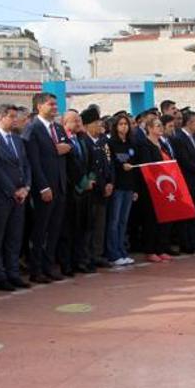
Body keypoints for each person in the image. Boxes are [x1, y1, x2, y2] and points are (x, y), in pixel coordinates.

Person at [0, 104, 32, 291]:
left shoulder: (17, 139)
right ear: (0, 117)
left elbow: (26, 164)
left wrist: (26, 186)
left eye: (16, 116)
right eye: (11, 116)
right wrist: (13, 191)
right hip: (0, 197)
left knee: (14, 236)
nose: (16, 120)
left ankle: (13, 272)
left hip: (20, 196)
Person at [22, 93, 72, 283]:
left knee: (54, 229)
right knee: (40, 230)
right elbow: (33, 161)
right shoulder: (32, 129)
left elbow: (67, 146)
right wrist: (43, 187)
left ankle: (48, 265)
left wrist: (67, 147)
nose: (54, 107)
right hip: (44, 188)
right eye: (50, 104)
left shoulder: (57, 128)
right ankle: (36, 269)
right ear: (39, 106)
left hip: (59, 185)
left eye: (55, 104)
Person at [62, 110, 97, 274]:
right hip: (72, 190)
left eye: (79, 120)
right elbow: (69, 167)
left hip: (87, 190)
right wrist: (82, 183)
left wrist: (90, 178)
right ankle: (68, 263)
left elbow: (91, 161)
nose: (78, 124)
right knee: (70, 230)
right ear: (65, 123)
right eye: (74, 121)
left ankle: (82, 259)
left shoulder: (83, 139)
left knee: (85, 227)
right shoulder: (63, 141)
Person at [81, 106, 115, 267]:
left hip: (104, 188)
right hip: (91, 190)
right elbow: (89, 168)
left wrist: (110, 182)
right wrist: (101, 185)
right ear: (87, 125)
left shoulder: (103, 141)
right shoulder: (84, 141)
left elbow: (109, 163)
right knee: (89, 224)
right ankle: (86, 255)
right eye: (96, 122)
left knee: (101, 224)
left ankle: (97, 253)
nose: (99, 125)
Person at [137, 116, 174, 262]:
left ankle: (161, 248)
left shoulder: (162, 144)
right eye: (157, 126)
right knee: (151, 219)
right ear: (150, 128)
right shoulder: (145, 145)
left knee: (163, 219)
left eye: (161, 126)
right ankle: (150, 249)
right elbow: (148, 166)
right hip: (151, 187)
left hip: (165, 186)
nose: (161, 128)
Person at [172, 110, 195, 254]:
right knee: (187, 213)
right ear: (189, 123)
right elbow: (185, 161)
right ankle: (186, 243)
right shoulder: (179, 138)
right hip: (188, 179)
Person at [106, 113, 137, 266]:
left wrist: (135, 189)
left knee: (123, 221)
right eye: (121, 124)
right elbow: (112, 164)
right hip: (118, 186)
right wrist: (121, 166)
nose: (124, 127)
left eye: (126, 124)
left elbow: (135, 165)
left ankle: (122, 250)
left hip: (129, 186)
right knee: (114, 220)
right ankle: (113, 253)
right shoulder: (111, 143)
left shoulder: (131, 143)